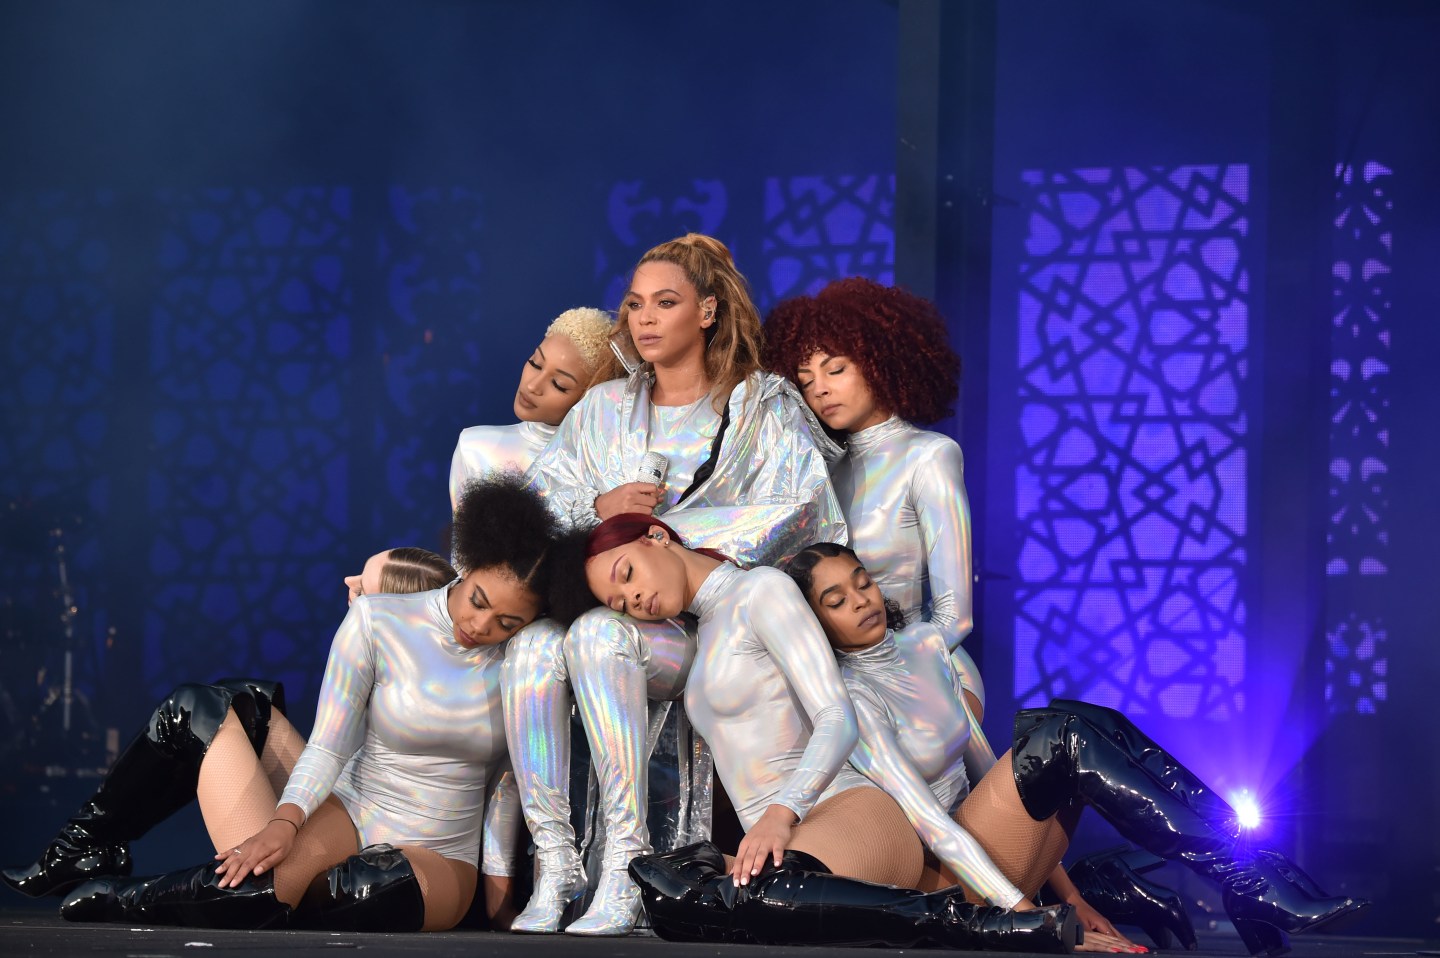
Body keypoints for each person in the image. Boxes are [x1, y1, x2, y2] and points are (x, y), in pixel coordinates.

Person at [764, 278, 1160, 942]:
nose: (820, 390)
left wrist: (905, 660)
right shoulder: (816, 470)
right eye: (805, 381)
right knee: (911, 837)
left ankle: (1049, 905)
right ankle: (1072, 895)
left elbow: (955, 612)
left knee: (959, 809)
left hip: (927, 659)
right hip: (841, 677)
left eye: (835, 368)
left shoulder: (928, 455)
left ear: (883, 359)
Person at [6, 476, 562, 932]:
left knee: (369, 890)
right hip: (353, 809)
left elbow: (510, 782)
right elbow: (329, 743)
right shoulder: (378, 619)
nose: (481, 626)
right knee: (257, 886)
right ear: (466, 565)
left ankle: (149, 893)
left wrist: (501, 901)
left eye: (506, 622)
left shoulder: (523, 661)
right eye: (478, 601)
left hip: (438, 852)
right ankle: (114, 890)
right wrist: (284, 823)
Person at [783, 542, 1370, 957]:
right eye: (836, 600)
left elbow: (990, 774)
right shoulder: (851, 702)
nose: (860, 599)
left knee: (1087, 723)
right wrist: (1031, 919)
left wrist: (1067, 896)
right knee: (1063, 733)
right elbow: (933, 827)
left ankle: (1247, 873)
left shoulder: (927, 647)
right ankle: (1250, 880)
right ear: (816, 626)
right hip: (948, 891)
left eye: (862, 580)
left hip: (993, 853)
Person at [504, 233, 845, 936]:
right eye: (634, 305)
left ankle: (629, 866)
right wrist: (600, 509)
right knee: (532, 648)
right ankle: (557, 862)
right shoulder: (601, 410)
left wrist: (666, 532)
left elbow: (805, 512)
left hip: (709, 630)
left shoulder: (760, 407)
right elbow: (531, 511)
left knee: (598, 637)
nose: (645, 320)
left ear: (708, 311)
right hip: (618, 603)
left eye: (665, 303)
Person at [574, 513, 1080, 952]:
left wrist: (780, 814)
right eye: (619, 603)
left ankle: (988, 924)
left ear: (658, 537)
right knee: (666, 889)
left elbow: (837, 717)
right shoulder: (706, 630)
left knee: (759, 896)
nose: (632, 597)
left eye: (627, 574)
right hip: (789, 838)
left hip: (841, 812)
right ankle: (959, 916)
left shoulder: (760, 591)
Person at [448, 306, 613, 510]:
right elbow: (465, 532)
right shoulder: (474, 448)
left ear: (590, 397)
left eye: (558, 384)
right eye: (535, 364)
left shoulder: (602, 471)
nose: (533, 386)